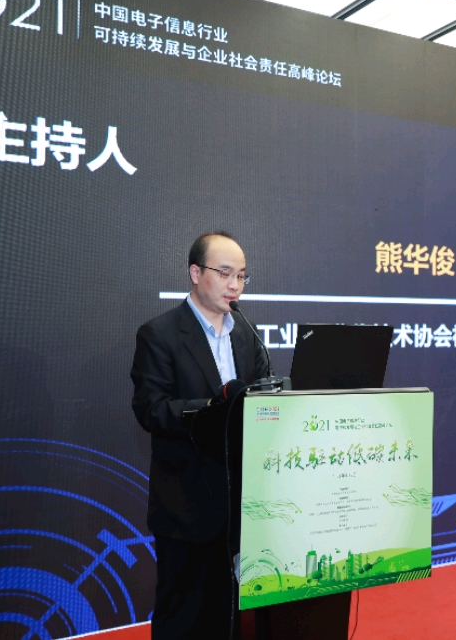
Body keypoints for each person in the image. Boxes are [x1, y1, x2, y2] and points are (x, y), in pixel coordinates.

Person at [131, 232, 269, 639]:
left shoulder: (247, 333)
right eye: (224, 273)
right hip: (187, 508)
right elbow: (151, 409)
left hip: (242, 507)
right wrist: (213, 409)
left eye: (241, 276)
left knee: (233, 618)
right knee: (184, 620)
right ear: (195, 273)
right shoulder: (160, 334)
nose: (234, 285)